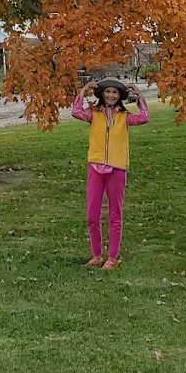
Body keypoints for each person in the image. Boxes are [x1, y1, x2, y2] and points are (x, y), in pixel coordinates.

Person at [72, 76, 149, 269]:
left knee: (115, 214)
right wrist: (82, 92)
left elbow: (144, 117)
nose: (111, 95)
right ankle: (96, 255)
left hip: (117, 168)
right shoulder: (93, 114)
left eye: (115, 92)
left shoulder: (125, 117)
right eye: (108, 91)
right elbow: (75, 112)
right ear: (102, 94)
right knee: (92, 215)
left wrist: (139, 96)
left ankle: (112, 258)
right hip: (95, 167)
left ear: (120, 96)